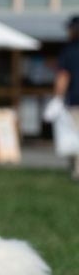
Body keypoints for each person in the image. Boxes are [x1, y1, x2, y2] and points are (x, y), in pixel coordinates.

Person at [52, 15, 79, 180]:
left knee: (75, 139)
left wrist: (57, 98)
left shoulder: (69, 51)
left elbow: (63, 77)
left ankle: (77, 171)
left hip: (76, 102)